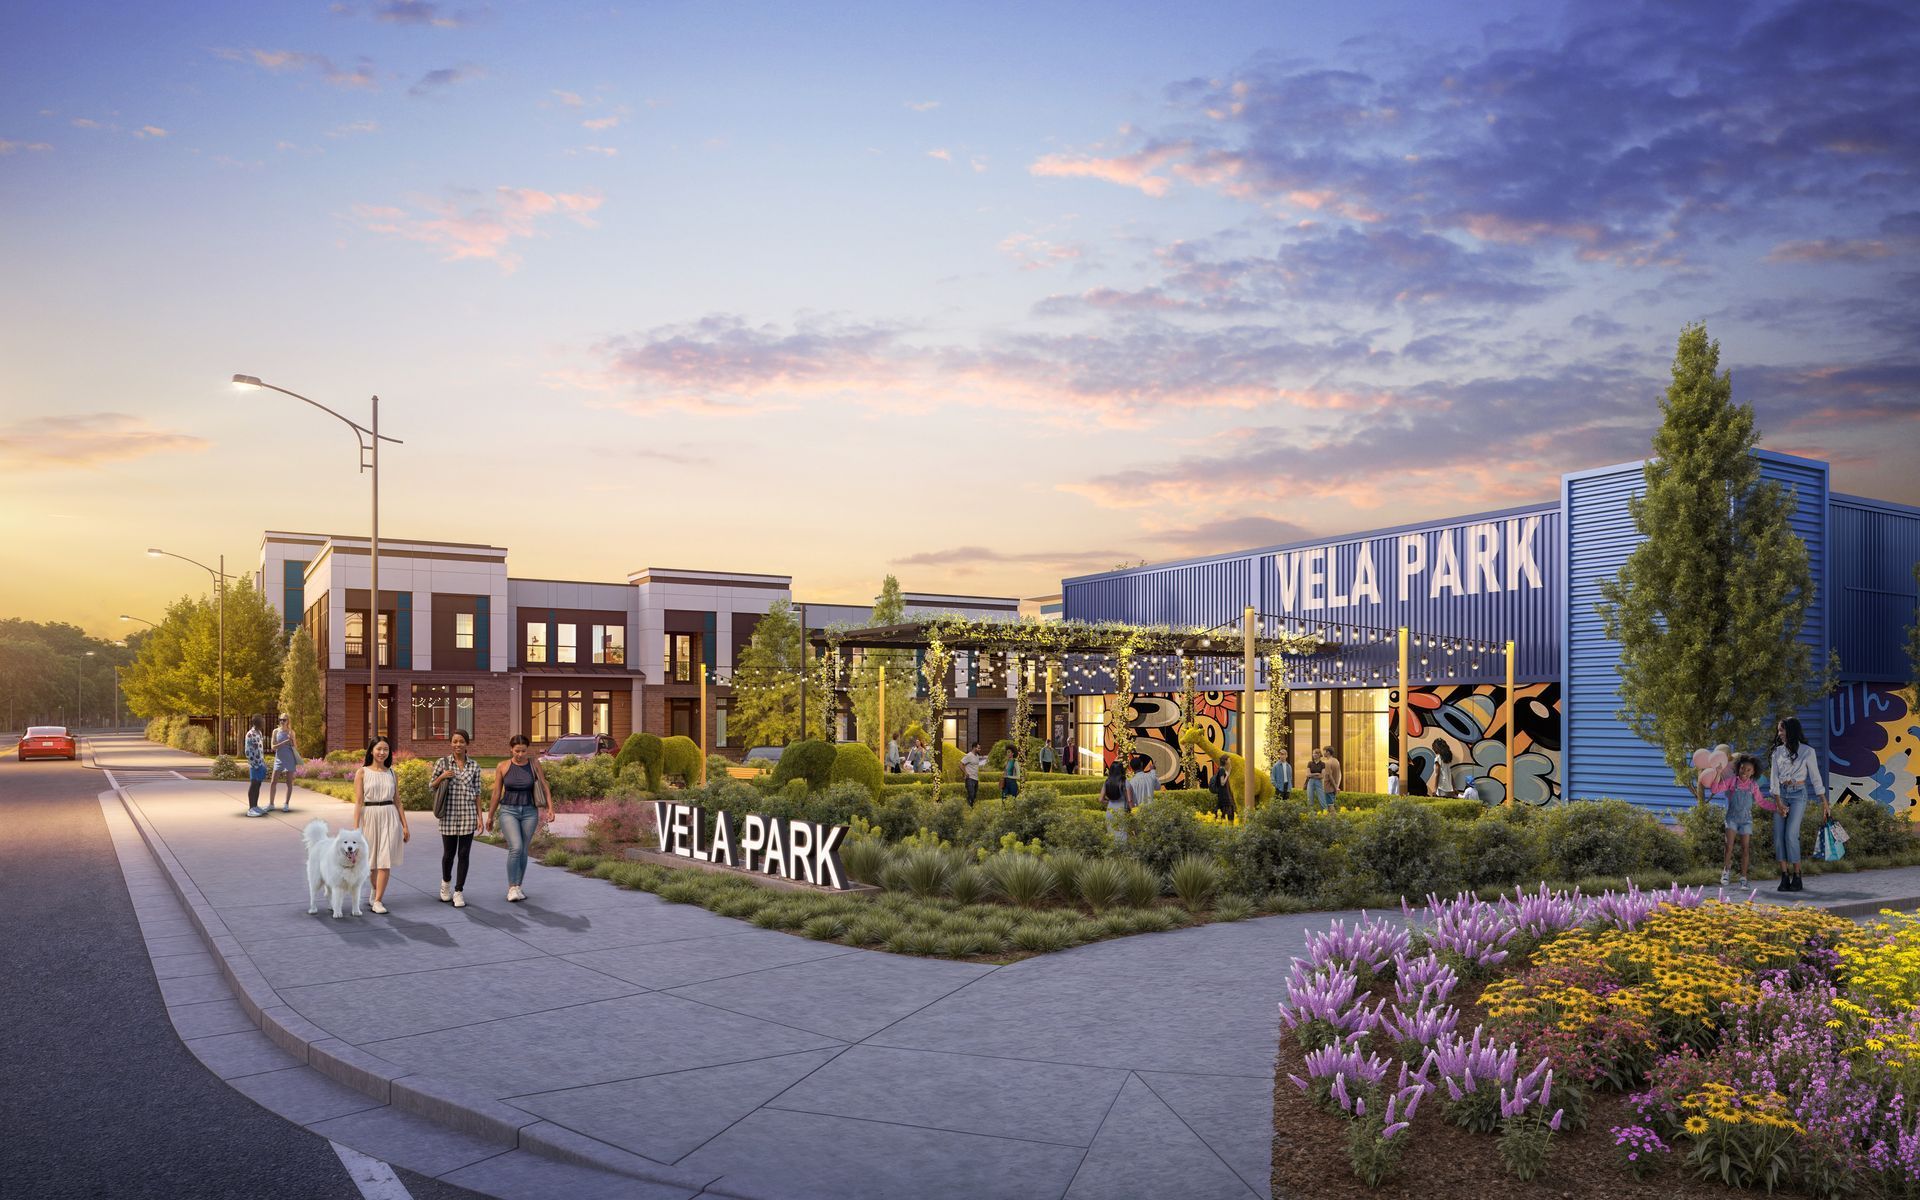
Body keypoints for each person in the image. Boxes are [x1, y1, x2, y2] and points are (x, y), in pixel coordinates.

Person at [490, 733, 555, 902]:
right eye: (517, 751)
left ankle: (518, 886)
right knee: (516, 847)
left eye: (523, 751)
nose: (520, 754)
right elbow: (497, 793)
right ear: (511, 749)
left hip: (529, 811)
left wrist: (550, 807)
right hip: (508, 811)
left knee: (524, 849)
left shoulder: (534, 764)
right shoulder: (503, 766)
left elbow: (544, 785)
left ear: (528, 750)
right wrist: (489, 816)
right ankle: (511, 887)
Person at [1768, 716, 1828, 893]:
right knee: (1779, 836)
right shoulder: (1777, 752)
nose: (1779, 734)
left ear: (1791, 730)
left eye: (1782, 730)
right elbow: (1773, 779)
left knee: (1791, 835)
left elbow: (1816, 778)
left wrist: (1824, 802)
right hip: (1781, 795)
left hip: (1798, 795)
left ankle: (1798, 875)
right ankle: (1784, 876)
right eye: (1779, 730)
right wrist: (1778, 802)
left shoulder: (1807, 751)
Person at [353, 736, 409, 914]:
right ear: (371, 750)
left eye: (385, 749)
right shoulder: (362, 772)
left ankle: (378, 901)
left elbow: (398, 801)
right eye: (379, 748)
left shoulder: (392, 773)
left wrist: (405, 825)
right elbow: (359, 802)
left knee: (384, 860)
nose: (382, 752)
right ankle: (375, 889)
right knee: (370, 863)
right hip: (370, 816)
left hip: (389, 816)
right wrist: (355, 829)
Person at [431, 729, 484, 908]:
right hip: (448, 815)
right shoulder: (443, 763)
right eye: (455, 741)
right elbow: (431, 786)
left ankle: (459, 891)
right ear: (451, 743)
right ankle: (445, 884)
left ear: (466, 743)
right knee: (448, 854)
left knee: (464, 854)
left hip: (468, 814)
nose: (458, 744)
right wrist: (442, 777)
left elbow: (477, 793)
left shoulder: (474, 766)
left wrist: (480, 817)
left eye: (461, 741)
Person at [1714, 753, 1762, 887]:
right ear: (1738, 768)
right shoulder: (1732, 781)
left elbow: (1761, 802)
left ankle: (1743, 878)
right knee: (1728, 846)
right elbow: (1715, 788)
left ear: (1753, 772)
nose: (1744, 772)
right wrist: (1718, 773)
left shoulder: (1753, 786)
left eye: (1748, 770)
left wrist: (1777, 807)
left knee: (1745, 849)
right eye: (1742, 768)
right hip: (1732, 819)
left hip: (1746, 820)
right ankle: (1726, 871)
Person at [268, 712, 301, 811]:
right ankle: (271, 804)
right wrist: (284, 742)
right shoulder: (275, 731)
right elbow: (273, 747)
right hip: (279, 759)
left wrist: (291, 742)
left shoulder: (291, 732)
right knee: (273, 782)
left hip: (289, 759)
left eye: (284, 720)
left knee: (289, 782)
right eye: (280, 720)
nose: (282, 722)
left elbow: (295, 747)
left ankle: (286, 804)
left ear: (288, 721)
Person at [243, 715, 269, 817]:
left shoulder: (259, 733)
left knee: (258, 785)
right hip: (254, 765)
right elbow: (248, 751)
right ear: (257, 723)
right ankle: (251, 809)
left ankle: (255, 806)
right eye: (262, 722)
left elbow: (260, 750)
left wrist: (263, 762)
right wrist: (254, 764)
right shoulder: (250, 734)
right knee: (253, 785)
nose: (264, 723)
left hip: (261, 763)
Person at [1102, 759, 1131, 842]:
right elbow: (1129, 800)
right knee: (1122, 836)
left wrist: (1109, 802)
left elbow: (1100, 799)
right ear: (1122, 770)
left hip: (1110, 811)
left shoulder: (1107, 782)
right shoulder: (1125, 782)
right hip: (1121, 811)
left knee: (1111, 835)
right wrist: (1133, 811)